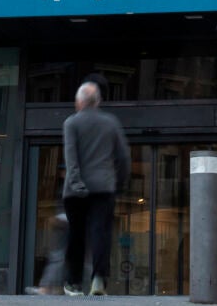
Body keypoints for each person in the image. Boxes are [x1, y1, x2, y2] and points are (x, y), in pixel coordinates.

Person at [61, 81, 131, 296]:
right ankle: (99, 278)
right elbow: (123, 157)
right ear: (98, 101)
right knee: (101, 233)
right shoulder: (111, 123)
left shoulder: (71, 123)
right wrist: (118, 183)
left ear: (78, 102)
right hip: (104, 188)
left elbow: (71, 157)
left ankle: (74, 283)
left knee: (76, 235)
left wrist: (77, 183)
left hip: (75, 191)